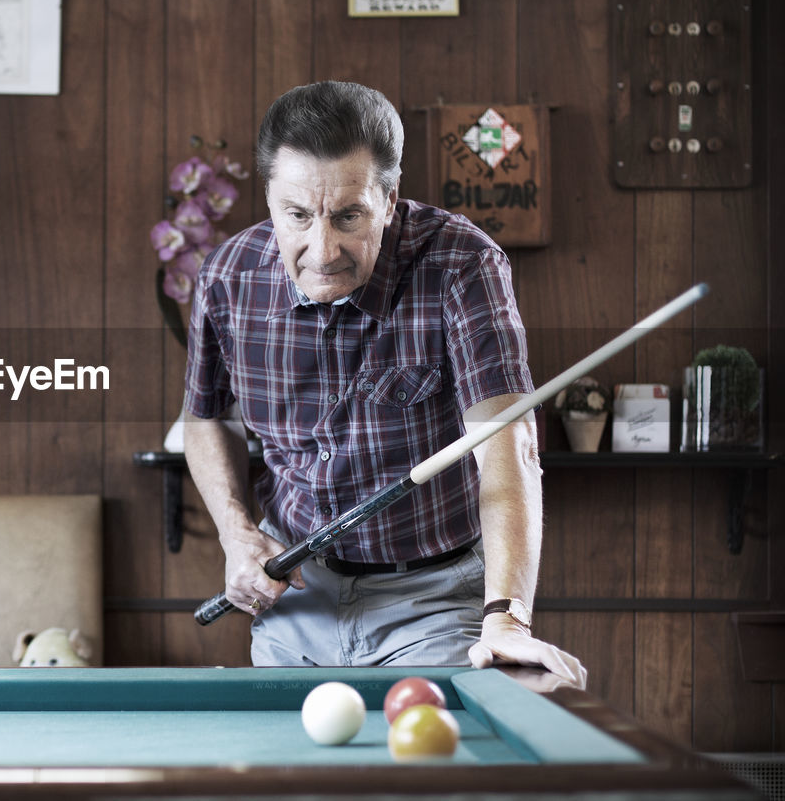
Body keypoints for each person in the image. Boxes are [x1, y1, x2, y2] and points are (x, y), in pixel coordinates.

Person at [182, 80, 586, 687]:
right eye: (297, 216)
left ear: (389, 199)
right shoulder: (227, 277)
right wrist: (237, 535)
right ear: (269, 198)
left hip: (431, 599)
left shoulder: (461, 263)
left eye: (348, 215)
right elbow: (205, 418)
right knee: (295, 782)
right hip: (296, 598)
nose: (321, 250)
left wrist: (507, 618)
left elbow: (510, 451)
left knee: (425, 775)